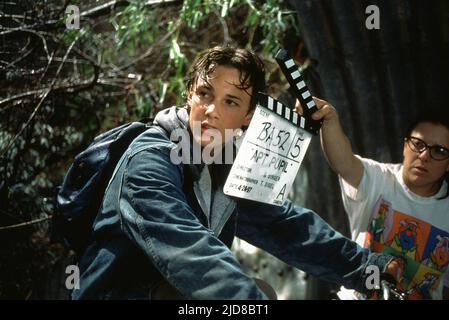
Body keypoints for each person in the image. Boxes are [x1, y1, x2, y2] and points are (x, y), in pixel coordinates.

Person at [72, 46, 399, 300]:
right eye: (204, 94)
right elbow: (191, 254)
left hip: (164, 293)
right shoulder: (150, 160)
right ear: (189, 94)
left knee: (261, 294)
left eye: (230, 102)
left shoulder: (223, 166)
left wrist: (369, 267)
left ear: (247, 116)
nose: (212, 111)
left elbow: (285, 226)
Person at [301, 96, 449, 299]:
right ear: (405, 146)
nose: (424, 156)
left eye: (439, 151)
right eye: (418, 144)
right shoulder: (379, 179)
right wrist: (330, 120)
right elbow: (343, 161)